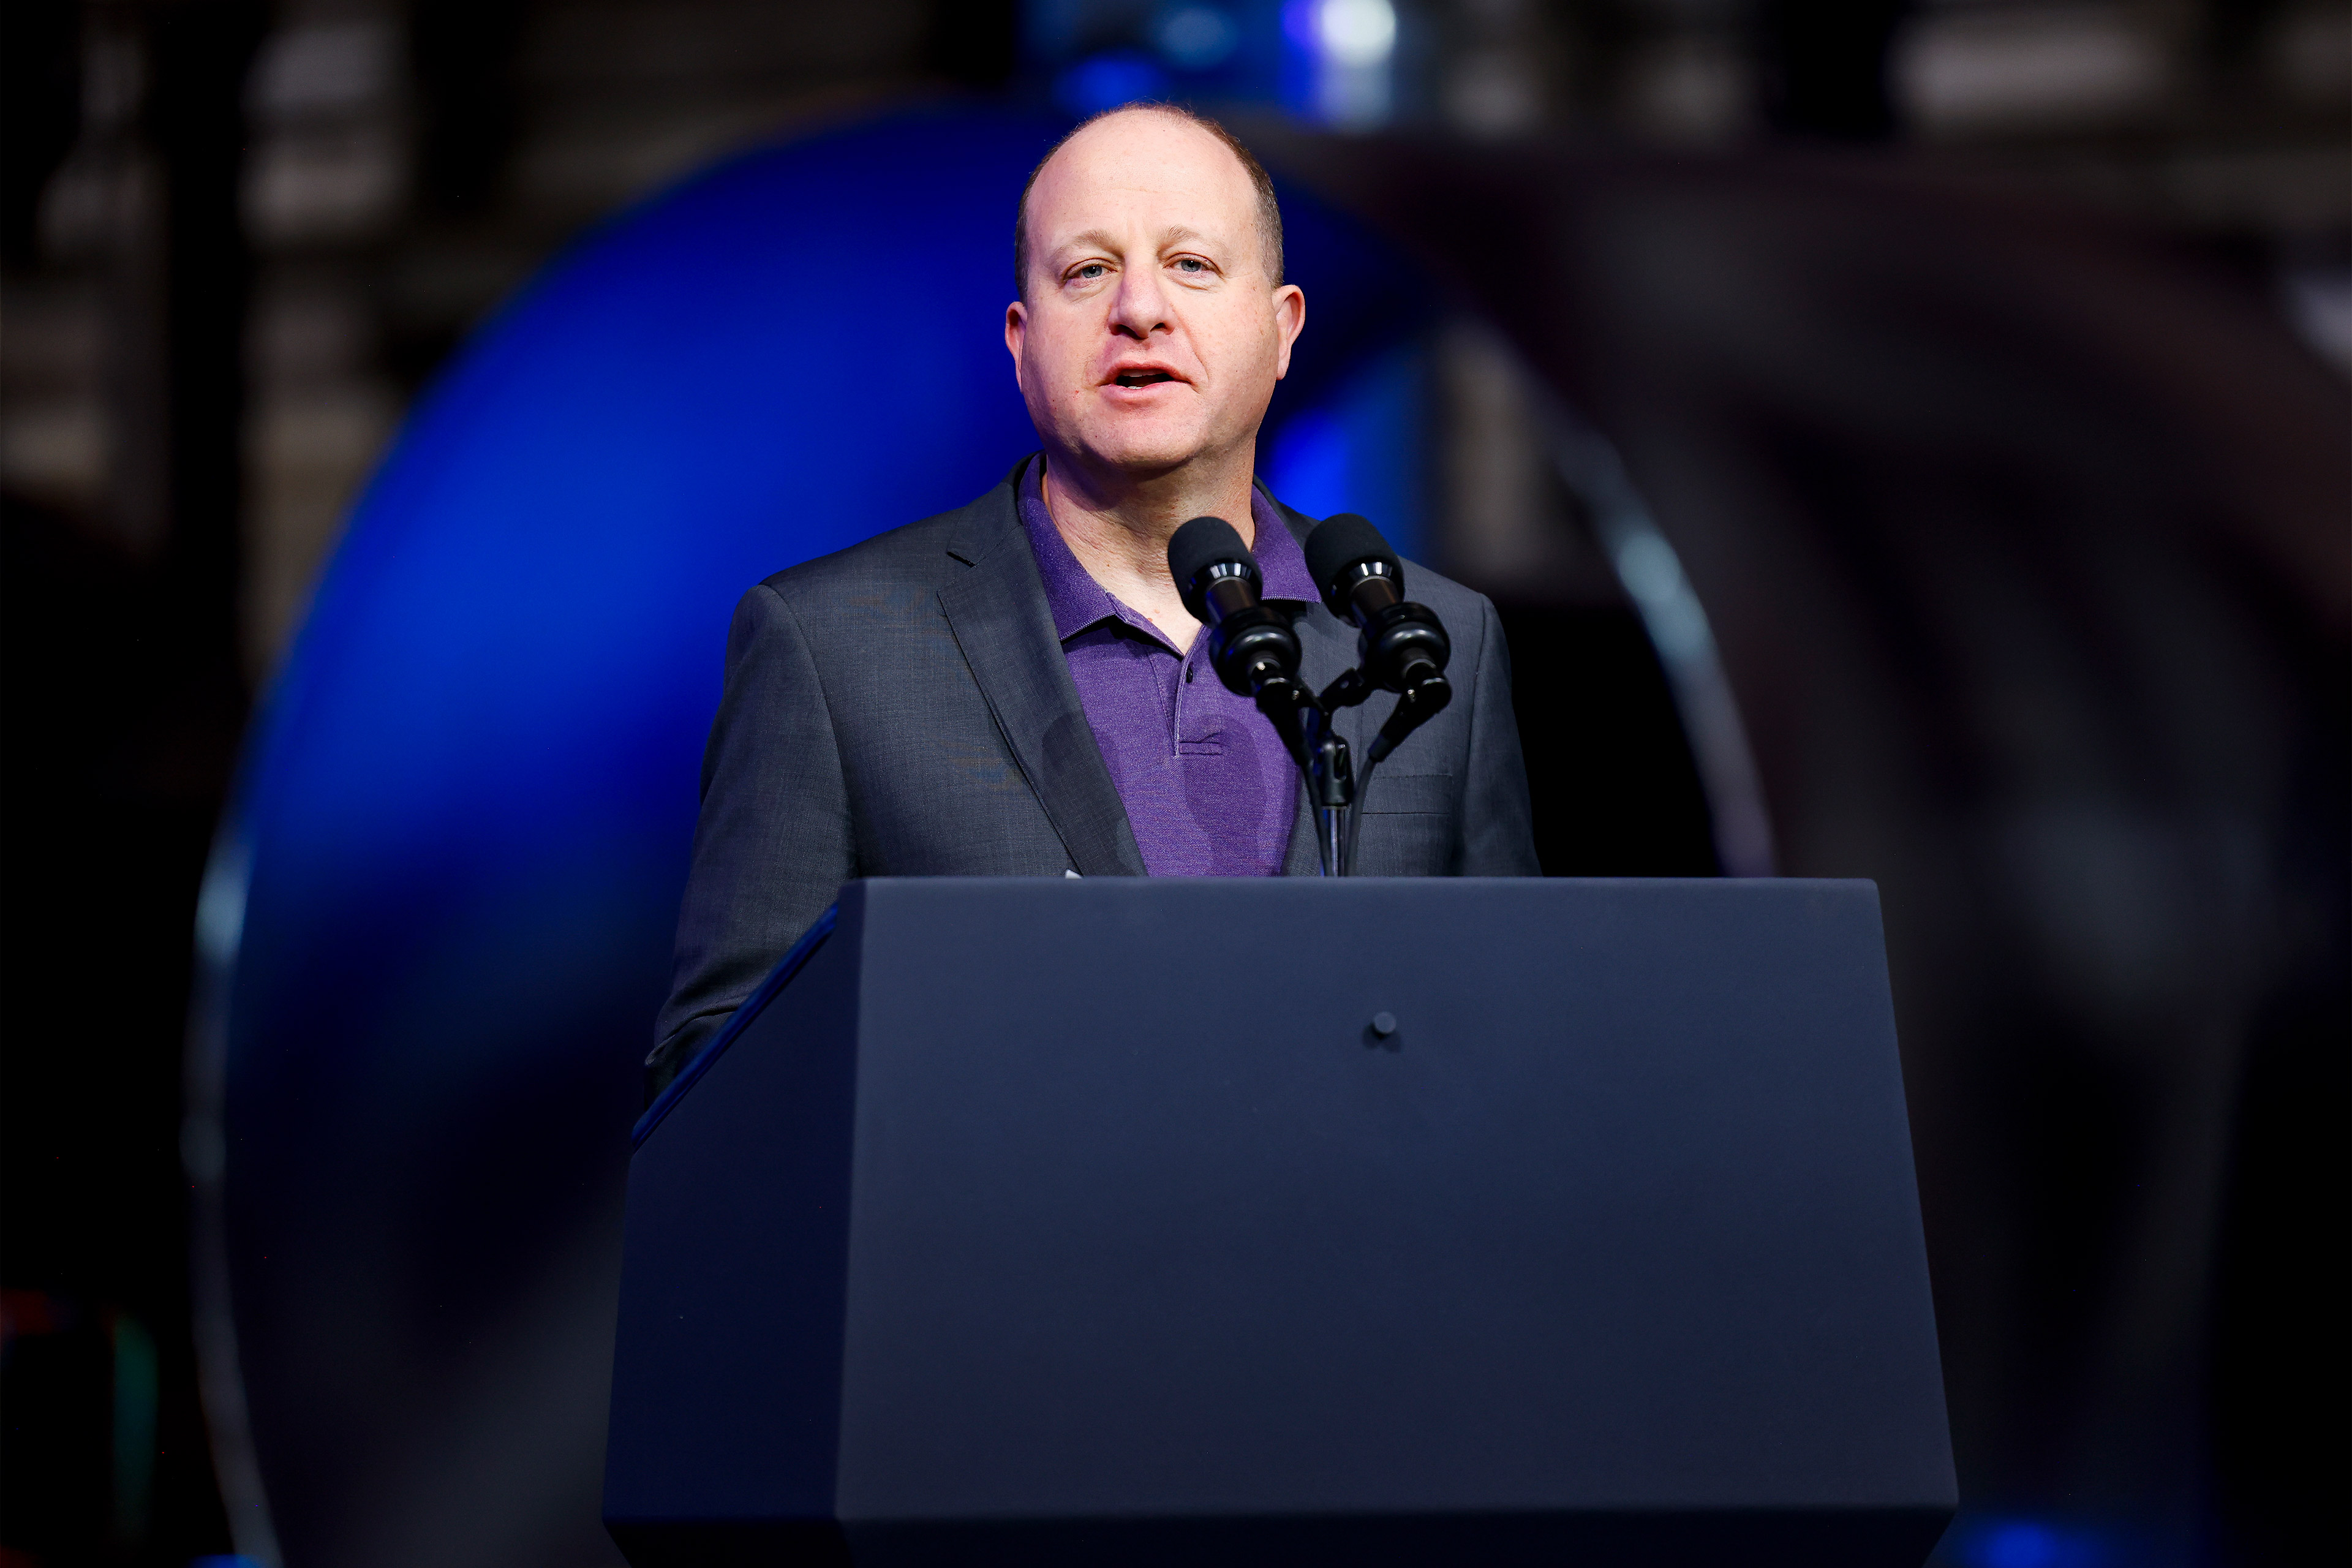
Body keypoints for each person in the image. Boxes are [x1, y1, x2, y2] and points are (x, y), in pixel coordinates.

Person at [648, 104, 1537, 1097]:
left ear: (1282, 327)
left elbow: (1510, 1039)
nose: (1141, 311)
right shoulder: (834, 650)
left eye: (1192, 265)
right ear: (1021, 344)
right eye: (1088, 272)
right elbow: (714, 1076)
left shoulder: (1430, 645)